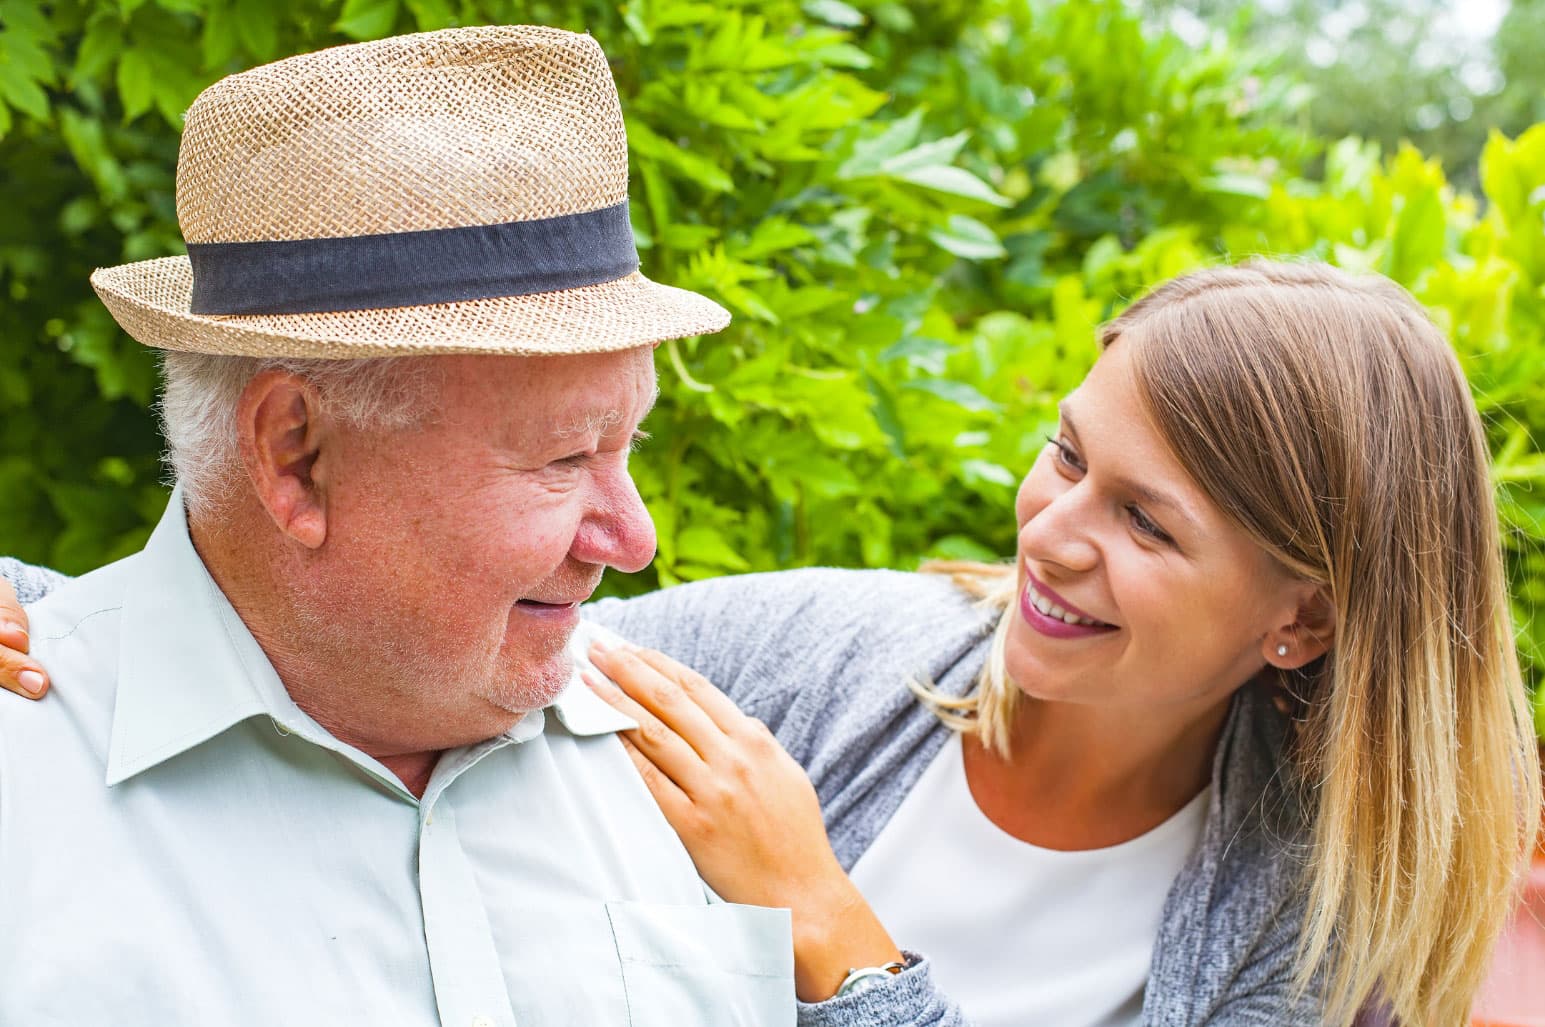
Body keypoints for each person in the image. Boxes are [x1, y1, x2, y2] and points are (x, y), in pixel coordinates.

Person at [1, 266, 1537, 1021]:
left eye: (1149, 523)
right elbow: (417, 634)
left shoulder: (1319, 924)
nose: (1055, 536)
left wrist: (833, 934)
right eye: (1068, 458)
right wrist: (49, 610)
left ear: (1305, 615)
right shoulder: (829, 654)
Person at [0, 25, 808, 1025]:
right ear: (297, 455)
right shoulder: (23, 790)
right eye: (565, 458)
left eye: (625, 444)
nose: (633, 539)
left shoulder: (708, 782)